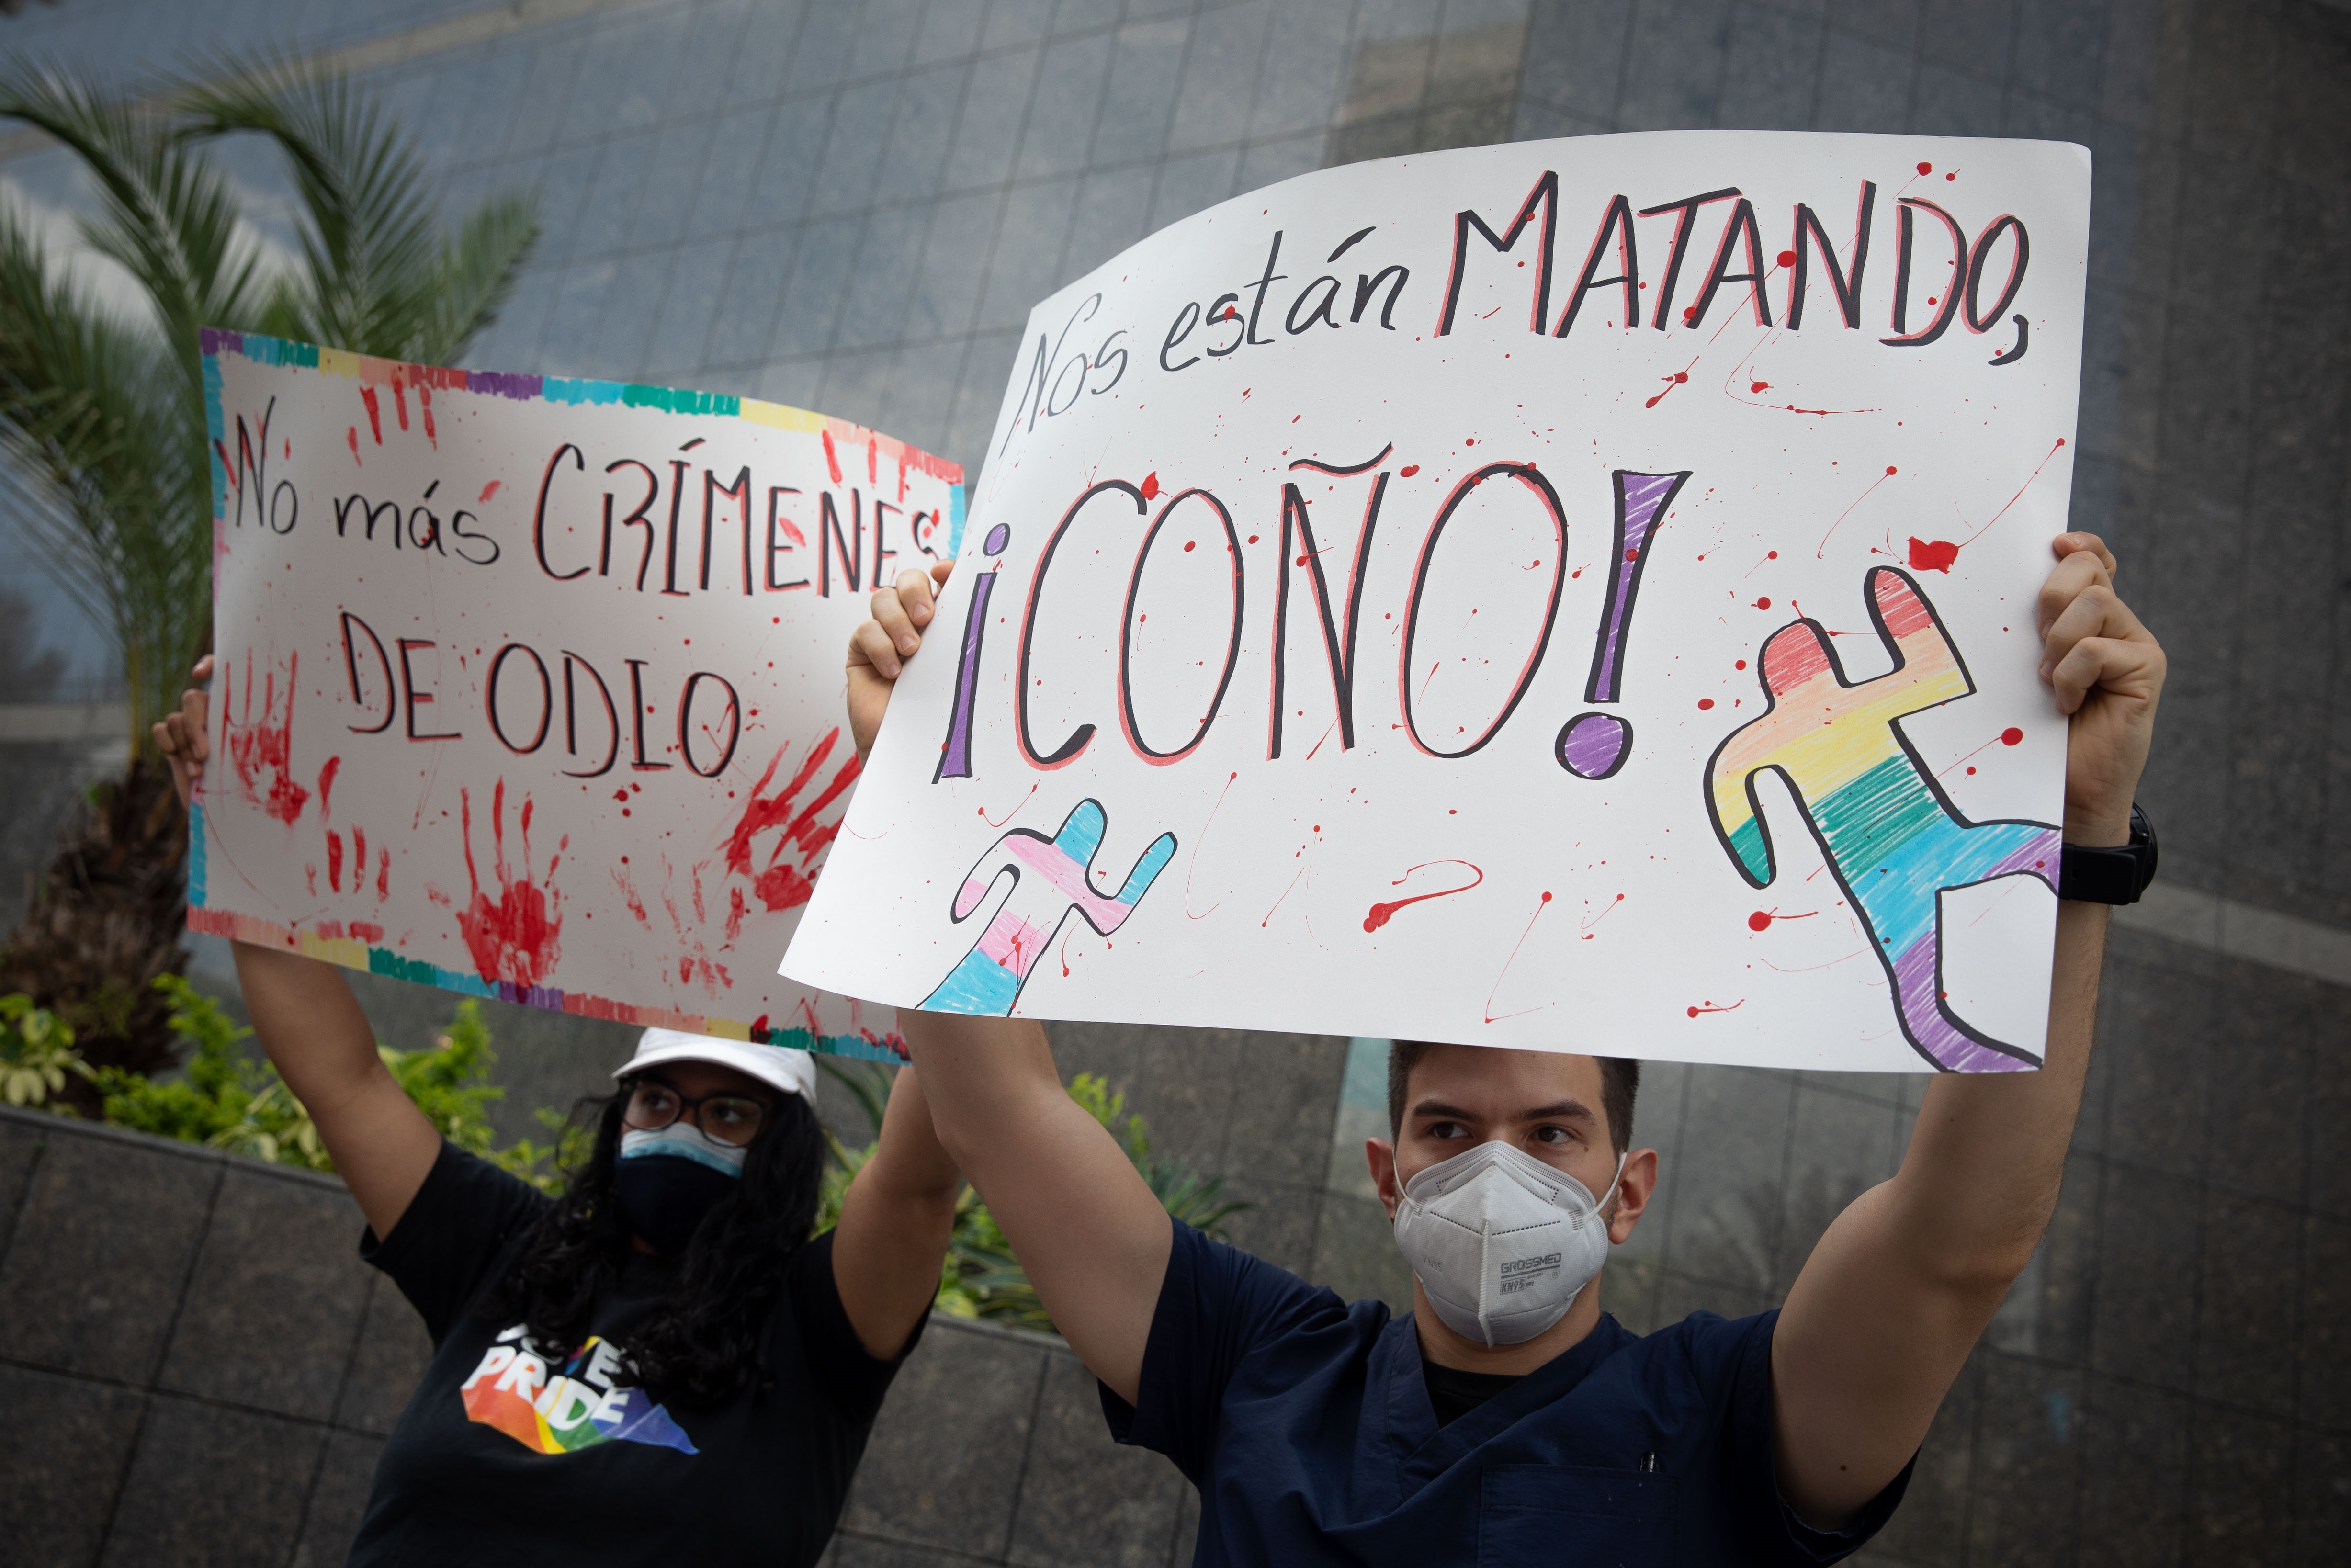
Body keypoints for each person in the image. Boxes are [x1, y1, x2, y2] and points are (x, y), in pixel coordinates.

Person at [845, 533, 2165, 1562]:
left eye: (1550, 1131)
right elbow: (1000, 1114)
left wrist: (2086, 830)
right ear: (1385, 1169)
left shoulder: (1728, 1421)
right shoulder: (1262, 1364)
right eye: (1448, 1127)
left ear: (1628, 1184)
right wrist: (910, 787)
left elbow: (1957, 1244)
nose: (1495, 1165)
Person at [152, 665, 963, 1568]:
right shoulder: (511, 1252)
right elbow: (345, 1083)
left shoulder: (817, 1328)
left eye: (728, 1112)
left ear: (784, 1152)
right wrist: (234, 832)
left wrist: (955, 834)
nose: (680, 1126)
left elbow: (921, 1179)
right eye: (657, 1099)